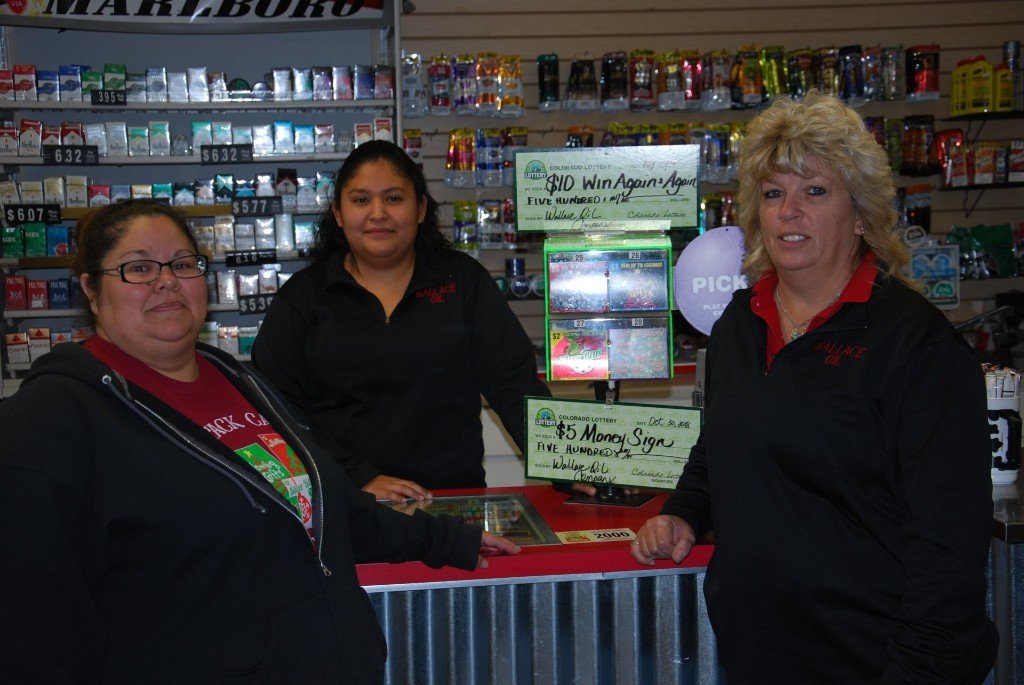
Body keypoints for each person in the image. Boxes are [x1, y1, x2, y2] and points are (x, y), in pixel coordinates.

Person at [0, 200, 518, 683]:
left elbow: (320, 507)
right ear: (92, 290)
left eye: (183, 264)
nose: (167, 283)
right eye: (138, 268)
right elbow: (36, 618)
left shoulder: (237, 380)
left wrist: (446, 540)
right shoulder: (54, 417)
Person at [631, 92, 998, 683]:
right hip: (757, 656)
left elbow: (948, 550)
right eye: (774, 194)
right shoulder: (738, 325)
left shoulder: (916, 346)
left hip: (876, 662)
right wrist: (685, 513)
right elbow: (718, 449)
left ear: (861, 214)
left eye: (814, 191)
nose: (788, 212)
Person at [251, 139, 551, 502]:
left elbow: (515, 386)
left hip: (451, 505)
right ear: (339, 213)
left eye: (394, 198)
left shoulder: (461, 282)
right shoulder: (303, 297)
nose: (378, 213)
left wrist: (570, 466)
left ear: (421, 208)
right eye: (361, 200)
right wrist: (356, 478)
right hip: (346, 503)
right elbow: (273, 409)